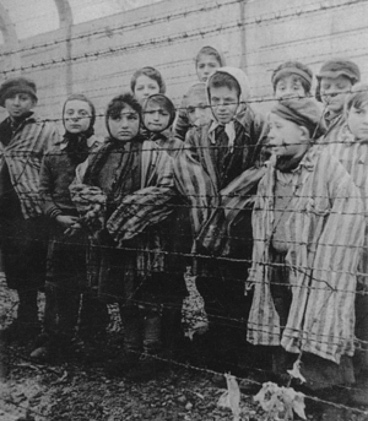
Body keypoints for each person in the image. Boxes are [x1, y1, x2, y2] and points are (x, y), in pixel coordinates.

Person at [247, 97, 364, 414]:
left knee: (316, 324)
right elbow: (262, 211)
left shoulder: (326, 166)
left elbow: (351, 210)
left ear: (302, 132)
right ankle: (286, 388)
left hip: (313, 271)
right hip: (277, 266)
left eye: (278, 127)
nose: (270, 133)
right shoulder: (273, 168)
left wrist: (325, 264)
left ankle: (324, 395)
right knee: (283, 322)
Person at [71, 93, 176, 381]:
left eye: (131, 117)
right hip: (109, 239)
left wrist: (126, 212)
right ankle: (130, 349)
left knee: (149, 295)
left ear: (140, 119)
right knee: (123, 295)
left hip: (143, 238)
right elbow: (80, 188)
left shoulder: (153, 152)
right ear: (107, 121)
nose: (125, 124)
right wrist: (99, 210)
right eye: (117, 118)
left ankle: (151, 353)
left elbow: (166, 190)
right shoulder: (99, 155)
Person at [174, 67, 267, 373]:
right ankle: (219, 352)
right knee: (210, 285)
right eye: (216, 99)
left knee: (239, 288)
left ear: (241, 99)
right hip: (207, 229)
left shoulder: (254, 130)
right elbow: (190, 175)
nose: (222, 105)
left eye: (229, 99)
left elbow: (262, 168)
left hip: (241, 228)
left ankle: (241, 353)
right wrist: (212, 208)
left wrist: (228, 199)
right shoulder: (197, 136)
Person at [31, 94, 108, 362]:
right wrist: (57, 216)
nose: (75, 117)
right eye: (70, 113)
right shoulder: (53, 153)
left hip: (92, 227)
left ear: (92, 119)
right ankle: (56, 340)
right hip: (61, 228)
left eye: (82, 113)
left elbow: (106, 189)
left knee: (92, 285)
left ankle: (90, 341)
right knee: (57, 286)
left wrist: (86, 220)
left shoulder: (102, 150)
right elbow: (43, 192)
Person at [0, 77, 59, 343]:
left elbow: (55, 164)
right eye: (12, 97)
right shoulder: (1, 130)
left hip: (33, 206)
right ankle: (25, 319)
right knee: (15, 263)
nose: (16, 102)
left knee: (36, 261)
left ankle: (49, 325)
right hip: (7, 207)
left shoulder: (44, 130)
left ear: (33, 102)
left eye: (23, 98)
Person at [324, 83, 368, 405]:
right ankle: (342, 375)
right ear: (348, 113)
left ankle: (364, 378)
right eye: (359, 111)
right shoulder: (332, 147)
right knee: (342, 307)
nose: (366, 119)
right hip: (339, 244)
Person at [174, 46, 225, 141]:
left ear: (221, 67)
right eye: (201, 66)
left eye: (212, 65)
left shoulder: (229, 94)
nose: (206, 71)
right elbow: (179, 133)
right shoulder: (189, 96)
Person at [315, 58, 360, 144]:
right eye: (326, 87)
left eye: (341, 86)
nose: (331, 92)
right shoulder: (316, 121)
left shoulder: (359, 123)